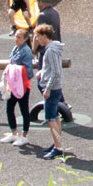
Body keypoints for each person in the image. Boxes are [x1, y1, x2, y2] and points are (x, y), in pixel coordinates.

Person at [34, 22, 69, 156]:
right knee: (55, 117)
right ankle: (56, 144)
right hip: (54, 87)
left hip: (52, 88)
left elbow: (55, 72)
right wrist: (42, 71)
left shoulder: (51, 50)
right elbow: (52, 68)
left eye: (38, 37)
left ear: (44, 36)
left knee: (50, 119)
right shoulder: (53, 48)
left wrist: (47, 89)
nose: (37, 39)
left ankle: (58, 148)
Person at [0, 28, 36, 145]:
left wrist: (15, 70)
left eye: (19, 37)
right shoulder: (16, 48)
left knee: (24, 110)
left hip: (22, 85)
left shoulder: (26, 51)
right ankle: (14, 133)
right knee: (9, 108)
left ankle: (24, 135)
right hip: (13, 84)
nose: (16, 39)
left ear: (25, 39)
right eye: (15, 36)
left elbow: (29, 71)